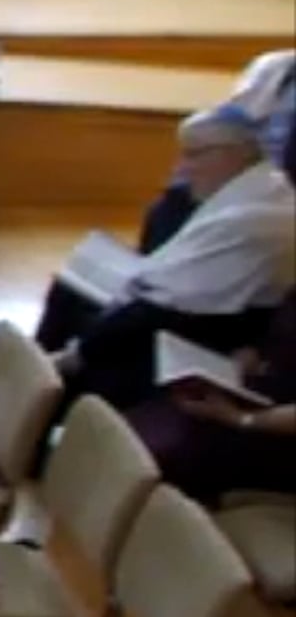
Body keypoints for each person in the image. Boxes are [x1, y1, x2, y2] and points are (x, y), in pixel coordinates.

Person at [36, 105, 296, 411]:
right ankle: (30, 393)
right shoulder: (261, 188)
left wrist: (74, 355)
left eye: (194, 154)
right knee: (69, 289)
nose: (182, 167)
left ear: (237, 152)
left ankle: (36, 399)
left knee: (99, 341)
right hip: (195, 314)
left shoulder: (254, 217)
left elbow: (163, 304)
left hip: (207, 335)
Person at [125, 293, 296, 507]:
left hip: (276, 433)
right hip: (253, 395)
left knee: (163, 451)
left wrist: (239, 418)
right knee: (137, 428)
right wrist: (252, 354)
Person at [140, 48, 295, 251]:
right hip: (250, 183)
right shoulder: (277, 67)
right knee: (175, 202)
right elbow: (228, 119)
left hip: (278, 204)